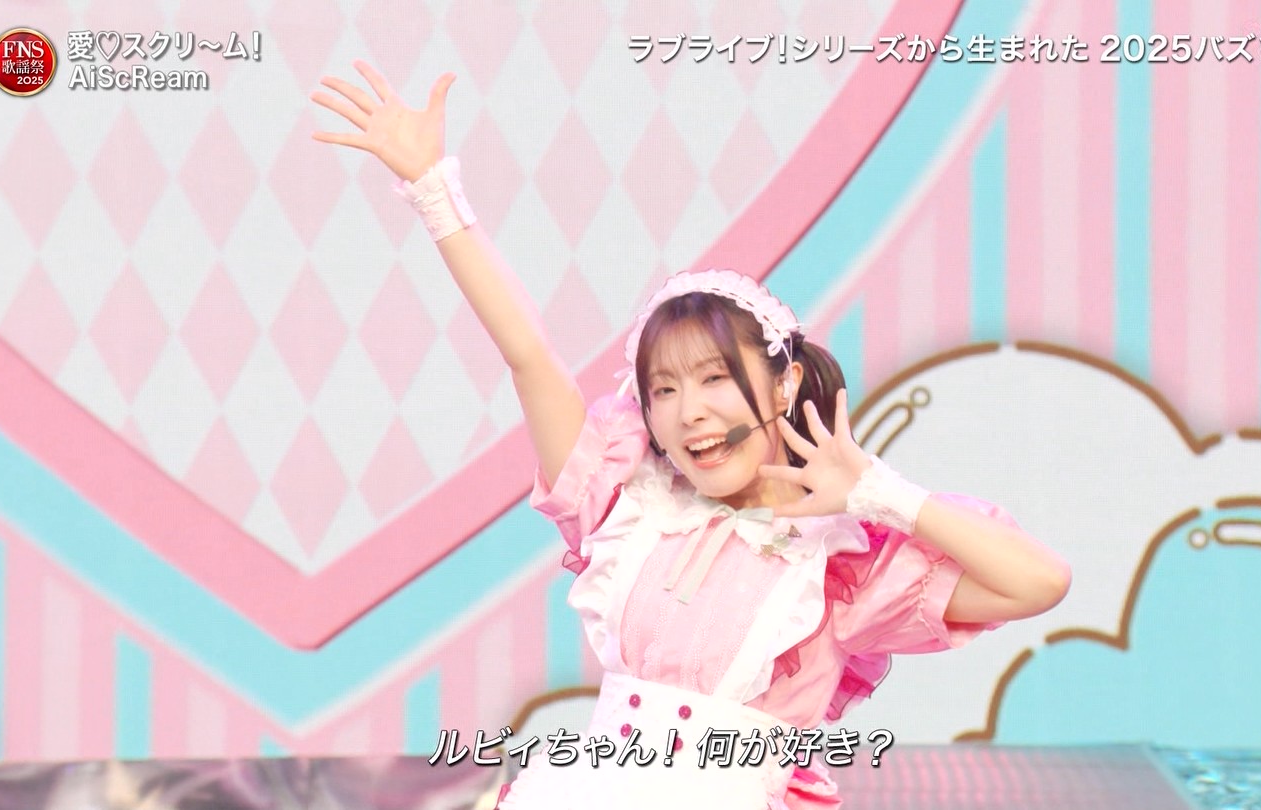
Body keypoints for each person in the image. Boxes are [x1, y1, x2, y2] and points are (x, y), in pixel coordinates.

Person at [311, 61, 1071, 810]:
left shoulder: (839, 562)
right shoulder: (626, 506)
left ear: (782, 383)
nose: (690, 413)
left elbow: (1039, 582)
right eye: (664, 390)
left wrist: (879, 495)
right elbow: (529, 357)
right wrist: (434, 192)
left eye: (714, 379)